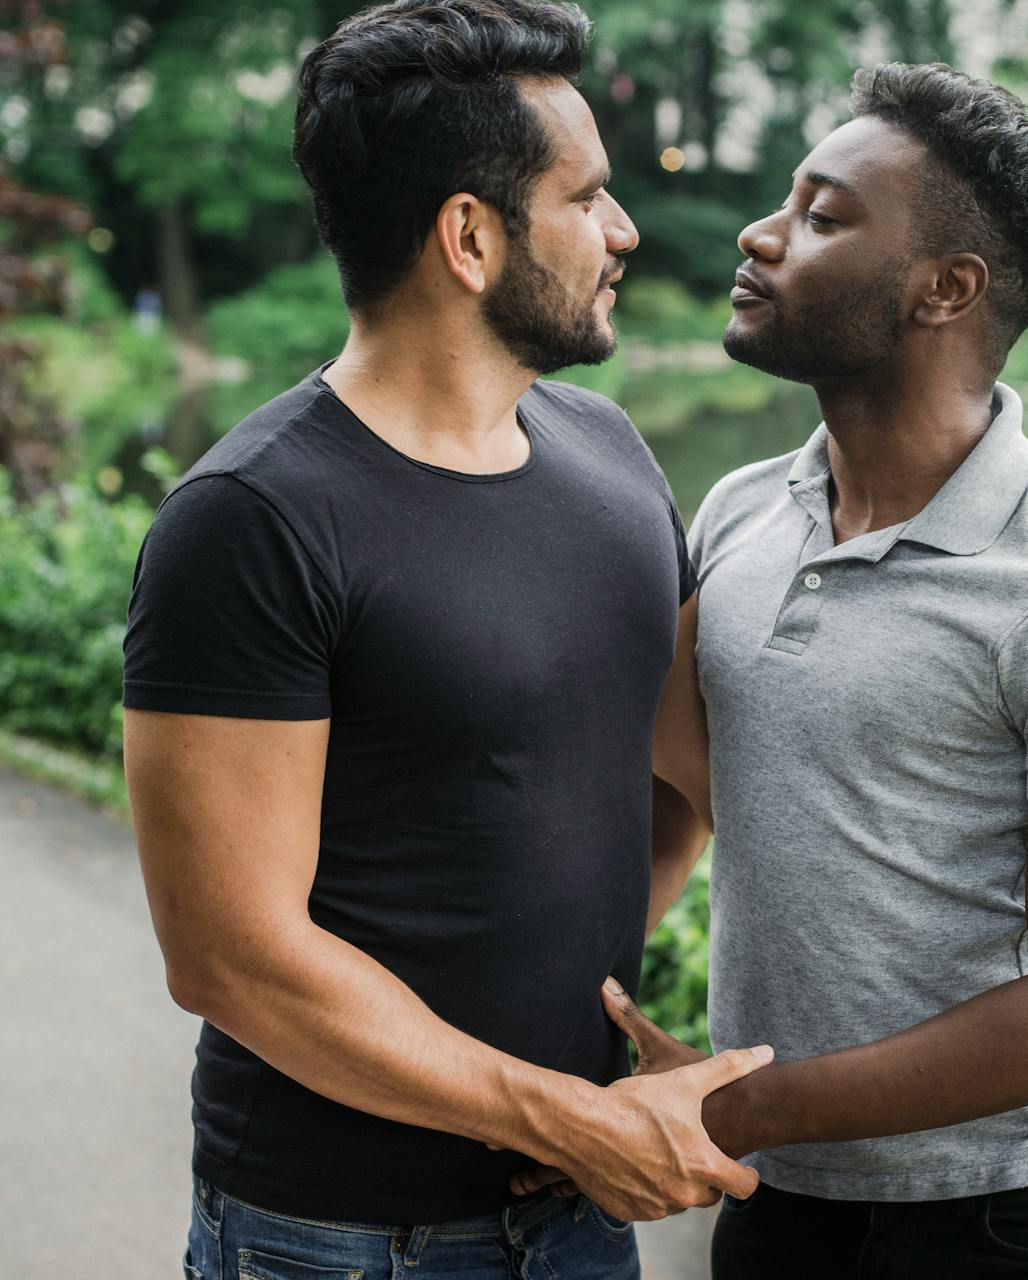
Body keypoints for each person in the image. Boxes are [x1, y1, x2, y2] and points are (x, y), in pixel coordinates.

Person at [520, 62, 1028, 1278]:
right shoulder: (743, 511)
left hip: (1004, 1226)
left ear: (946, 289)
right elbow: (685, 786)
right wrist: (546, 1033)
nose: (760, 233)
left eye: (823, 216)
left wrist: (730, 1110)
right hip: (783, 1209)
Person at [120, 2, 765, 1276]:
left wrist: (580, 1058)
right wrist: (552, 1106)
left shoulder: (617, 458)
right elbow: (229, 955)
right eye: (587, 197)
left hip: (574, 1214)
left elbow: (683, 768)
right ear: (470, 237)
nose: (623, 229)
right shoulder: (251, 521)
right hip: (337, 1238)